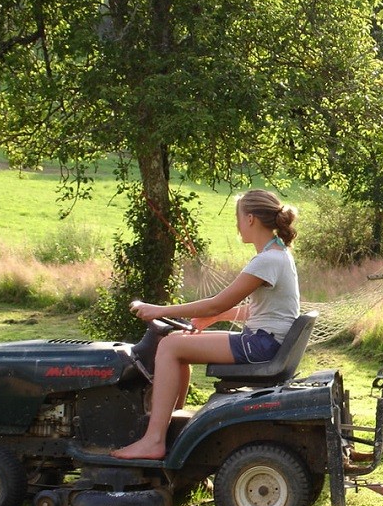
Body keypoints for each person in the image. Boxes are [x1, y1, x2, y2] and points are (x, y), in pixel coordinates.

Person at [112, 189, 300, 460]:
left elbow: (215, 302)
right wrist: (215, 318)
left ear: (250, 219)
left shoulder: (267, 260)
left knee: (169, 346)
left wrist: (158, 309)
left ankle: (154, 440)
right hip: (266, 340)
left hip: (262, 344)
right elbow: (261, 311)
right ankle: (169, 429)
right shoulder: (278, 253)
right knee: (181, 344)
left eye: (238, 218)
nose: (236, 225)